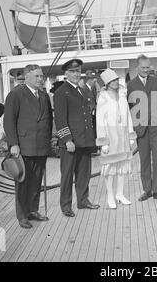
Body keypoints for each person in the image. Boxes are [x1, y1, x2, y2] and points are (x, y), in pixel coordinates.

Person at [4, 64, 52, 228]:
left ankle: (32, 210)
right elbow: (9, 121)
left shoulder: (44, 96)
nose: (41, 79)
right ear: (27, 77)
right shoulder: (16, 94)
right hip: (24, 146)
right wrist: (13, 144)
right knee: (23, 181)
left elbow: (49, 121)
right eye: (37, 76)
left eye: (41, 76)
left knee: (36, 180)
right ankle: (22, 215)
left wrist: (48, 141)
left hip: (41, 146)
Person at [54, 59, 100, 217]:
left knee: (84, 173)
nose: (76, 74)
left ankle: (83, 200)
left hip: (85, 140)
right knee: (67, 175)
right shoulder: (61, 92)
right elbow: (60, 119)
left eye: (78, 71)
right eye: (72, 71)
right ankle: (66, 206)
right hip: (71, 142)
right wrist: (67, 139)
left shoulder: (83, 90)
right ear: (66, 73)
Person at [127, 54, 157, 202]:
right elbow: (130, 108)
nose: (146, 70)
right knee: (144, 161)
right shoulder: (131, 85)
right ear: (137, 67)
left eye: (147, 67)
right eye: (143, 68)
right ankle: (147, 190)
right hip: (141, 130)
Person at [96, 69, 136, 208]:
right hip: (110, 136)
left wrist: (131, 135)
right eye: (112, 81)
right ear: (107, 83)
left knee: (122, 166)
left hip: (123, 135)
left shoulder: (122, 95)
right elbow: (100, 120)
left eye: (116, 80)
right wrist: (103, 141)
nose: (115, 82)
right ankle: (110, 195)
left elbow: (128, 116)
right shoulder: (103, 97)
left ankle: (120, 194)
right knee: (110, 167)